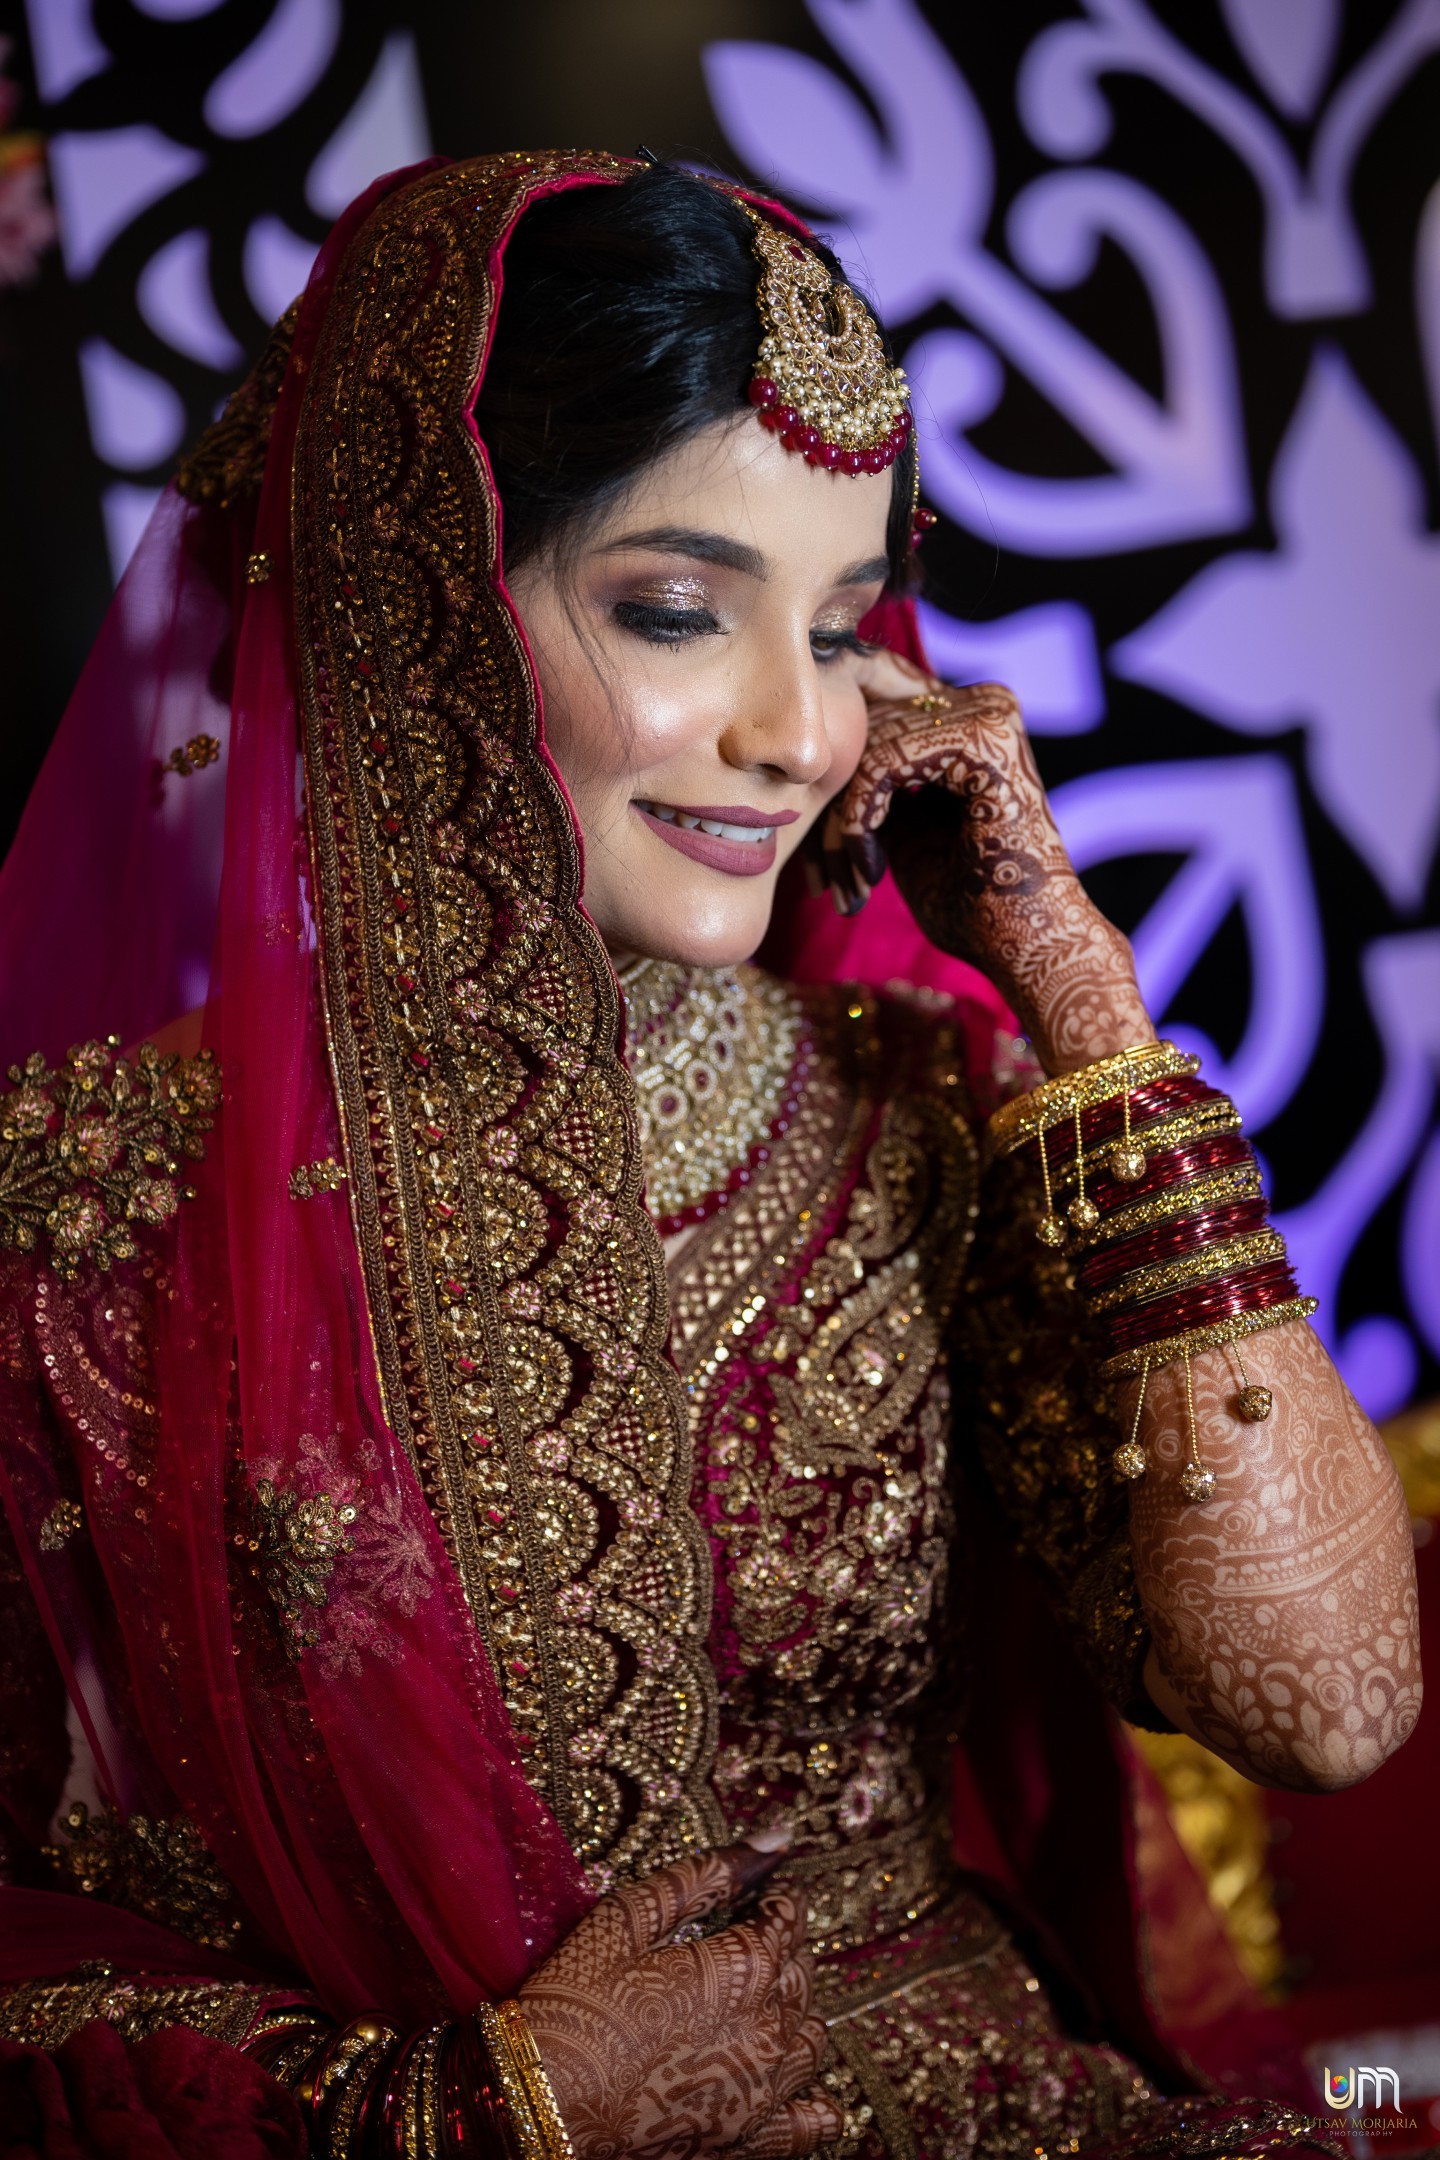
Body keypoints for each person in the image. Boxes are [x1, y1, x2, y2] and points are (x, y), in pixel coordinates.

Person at [0, 151, 1421, 2160]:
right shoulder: (84, 1209)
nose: (801, 731)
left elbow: (1329, 1710)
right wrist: (471, 2112)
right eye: (678, 610)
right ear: (409, 615)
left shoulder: (921, 1111)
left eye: (840, 631)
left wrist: (1083, 1000)